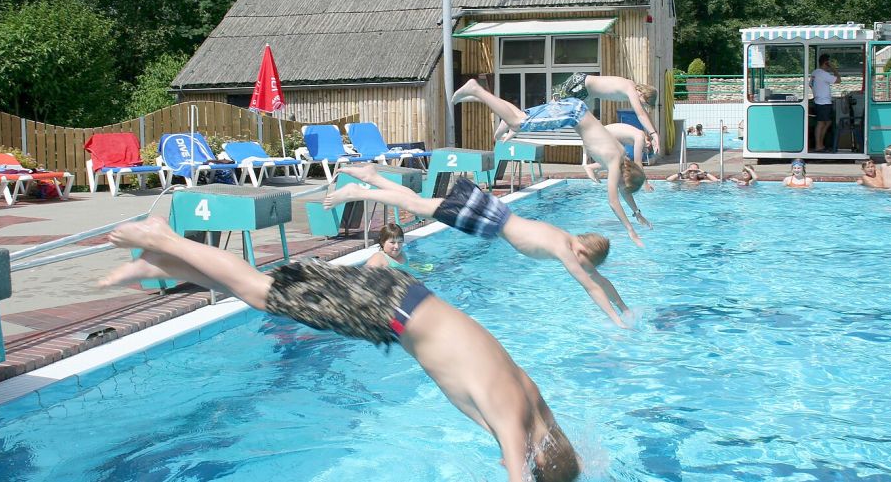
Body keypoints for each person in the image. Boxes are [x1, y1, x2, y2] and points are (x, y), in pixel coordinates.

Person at [100, 218, 581, 482]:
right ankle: (162, 237)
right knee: (260, 292)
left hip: (405, 299)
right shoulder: (513, 423)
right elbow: (518, 468)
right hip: (390, 311)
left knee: (266, 293)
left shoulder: (535, 405)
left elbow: (546, 442)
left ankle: (162, 260)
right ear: (535, 460)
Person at [324, 164, 634, 327]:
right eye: (585, 262)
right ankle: (358, 191)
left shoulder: (566, 236)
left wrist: (625, 307)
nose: (583, 267)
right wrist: (616, 320)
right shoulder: (565, 251)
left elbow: (599, 279)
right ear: (583, 252)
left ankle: (373, 177)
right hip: (488, 221)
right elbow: (592, 287)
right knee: (417, 207)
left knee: (419, 203)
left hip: (493, 210)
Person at [451, 80, 651, 246]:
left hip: (576, 110)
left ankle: (486, 102)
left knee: (519, 119)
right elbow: (613, 201)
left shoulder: (621, 157)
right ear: (624, 180)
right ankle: (476, 89)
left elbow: (625, 190)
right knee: (517, 122)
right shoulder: (615, 162)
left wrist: (637, 212)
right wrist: (630, 230)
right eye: (621, 185)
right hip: (573, 114)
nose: (618, 187)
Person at [548, 73, 662, 154]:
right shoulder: (630, 88)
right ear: (643, 94)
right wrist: (653, 134)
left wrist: (655, 133)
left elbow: (644, 114)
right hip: (580, 83)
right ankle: (542, 114)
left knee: (563, 111)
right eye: (645, 103)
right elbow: (641, 114)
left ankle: (549, 114)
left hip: (584, 91)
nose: (644, 105)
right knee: (554, 106)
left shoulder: (632, 90)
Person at [584, 123, 655, 192]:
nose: (642, 150)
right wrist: (645, 184)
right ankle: (591, 168)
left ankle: (593, 168)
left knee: (621, 161)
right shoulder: (640, 137)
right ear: (648, 143)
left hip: (600, 134)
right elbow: (638, 163)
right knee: (617, 162)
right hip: (599, 135)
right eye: (644, 149)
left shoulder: (638, 134)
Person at [810, 54, 841, 152]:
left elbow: (811, 85)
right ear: (826, 63)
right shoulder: (823, 74)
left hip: (818, 101)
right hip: (824, 102)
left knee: (826, 122)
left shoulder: (815, 73)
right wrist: (834, 69)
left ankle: (820, 144)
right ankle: (819, 145)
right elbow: (838, 80)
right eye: (829, 63)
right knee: (821, 123)